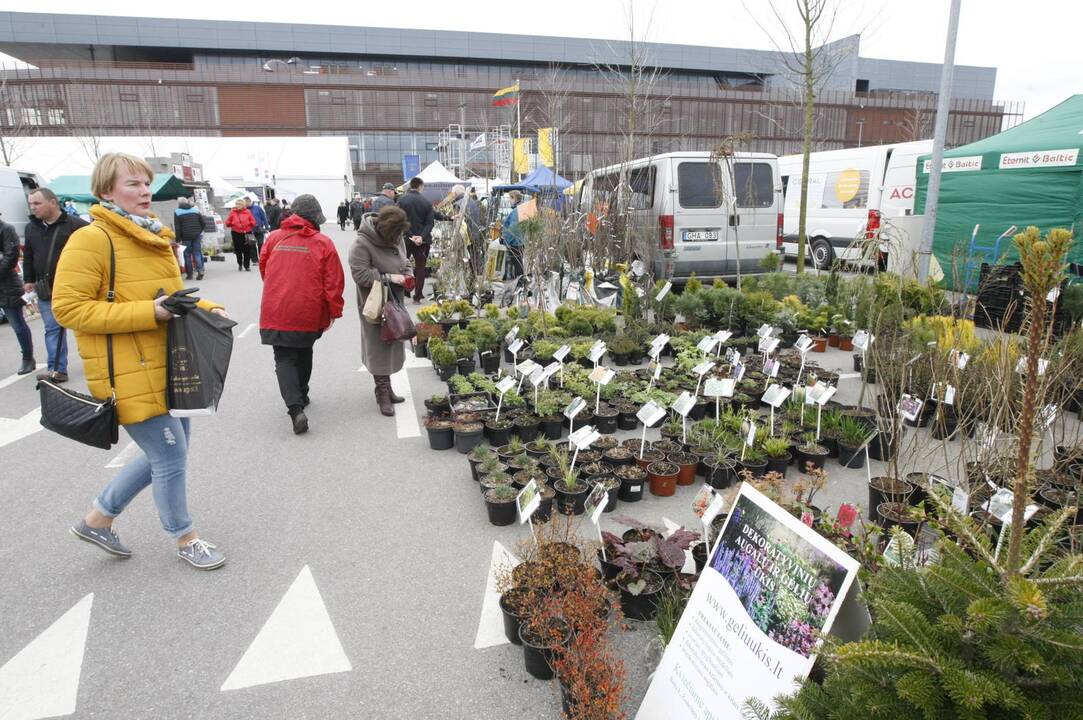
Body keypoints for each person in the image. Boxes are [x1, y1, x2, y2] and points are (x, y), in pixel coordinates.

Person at [52, 152, 229, 570]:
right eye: (132, 183)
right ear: (106, 191)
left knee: (169, 453)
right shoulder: (92, 239)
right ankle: (186, 539)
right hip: (127, 374)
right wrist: (151, 313)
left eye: (145, 182)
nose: (144, 190)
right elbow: (68, 309)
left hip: (167, 366)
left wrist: (206, 306)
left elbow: (170, 296)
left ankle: (97, 519)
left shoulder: (150, 235)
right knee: (169, 456)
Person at [259, 195, 344, 435]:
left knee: (283, 358)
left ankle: (295, 408)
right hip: (308, 309)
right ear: (314, 218)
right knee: (305, 349)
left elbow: (264, 269)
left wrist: (278, 287)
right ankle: (302, 393)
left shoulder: (274, 238)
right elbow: (333, 282)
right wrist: (334, 311)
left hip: (276, 308)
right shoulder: (323, 242)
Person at [349, 205, 414, 417]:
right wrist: (388, 278)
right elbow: (360, 275)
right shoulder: (362, 243)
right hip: (374, 303)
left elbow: (405, 262)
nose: (399, 239)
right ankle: (382, 392)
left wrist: (407, 274)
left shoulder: (397, 237)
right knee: (378, 345)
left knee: (393, 340)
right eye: (396, 235)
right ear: (385, 230)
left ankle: (388, 387)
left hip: (394, 300)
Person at [21, 187, 88, 382]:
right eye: (31, 203)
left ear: (53, 202)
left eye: (37, 203)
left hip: (76, 288)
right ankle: (56, 369)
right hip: (46, 289)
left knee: (87, 327)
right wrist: (29, 280)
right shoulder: (31, 227)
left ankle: (99, 363)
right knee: (52, 329)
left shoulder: (77, 226)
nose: (33, 208)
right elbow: (29, 256)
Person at [0, 211, 34, 374]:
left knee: (17, 324)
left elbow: (11, 256)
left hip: (7, 284)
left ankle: (28, 358)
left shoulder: (6, 229)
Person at [396, 176, 435, 304]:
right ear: (420, 187)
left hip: (405, 240)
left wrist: (410, 235)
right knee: (420, 268)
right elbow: (430, 223)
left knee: (402, 266)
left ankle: (403, 291)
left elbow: (399, 221)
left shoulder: (402, 201)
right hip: (422, 242)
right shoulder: (426, 202)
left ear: (410, 186)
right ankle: (417, 296)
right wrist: (421, 237)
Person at [173, 197, 206, 281]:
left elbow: (178, 227)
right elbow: (203, 223)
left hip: (185, 236)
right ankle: (200, 270)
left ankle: (190, 274)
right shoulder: (195, 210)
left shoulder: (177, 212)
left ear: (179, 204)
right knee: (197, 253)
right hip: (196, 235)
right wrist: (199, 231)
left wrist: (178, 239)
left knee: (187, 255)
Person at [224, 198, 258, 271]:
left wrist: (249, 224)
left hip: (247, 232)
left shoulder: (248, 212)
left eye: (239, 204)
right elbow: (227, 222)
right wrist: (231, 223)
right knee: (238, 249)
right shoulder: (232, 212)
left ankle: (247, 265)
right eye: (236, 204)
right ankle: (239, 263)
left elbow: (253, 222)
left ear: (243, 205)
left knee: (247, 250)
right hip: (236, 233)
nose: (237, 205)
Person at [502, 190, 525, 278]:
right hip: (520, 241)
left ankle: (519, 283)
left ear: (514, 198)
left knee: (517, 266)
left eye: (510, 198)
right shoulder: (522, 208)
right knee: (518, 264)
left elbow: (513, 229)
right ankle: (520, 283)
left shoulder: (517, 210)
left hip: (515, 242)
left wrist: (506, 240)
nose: (509, 201)